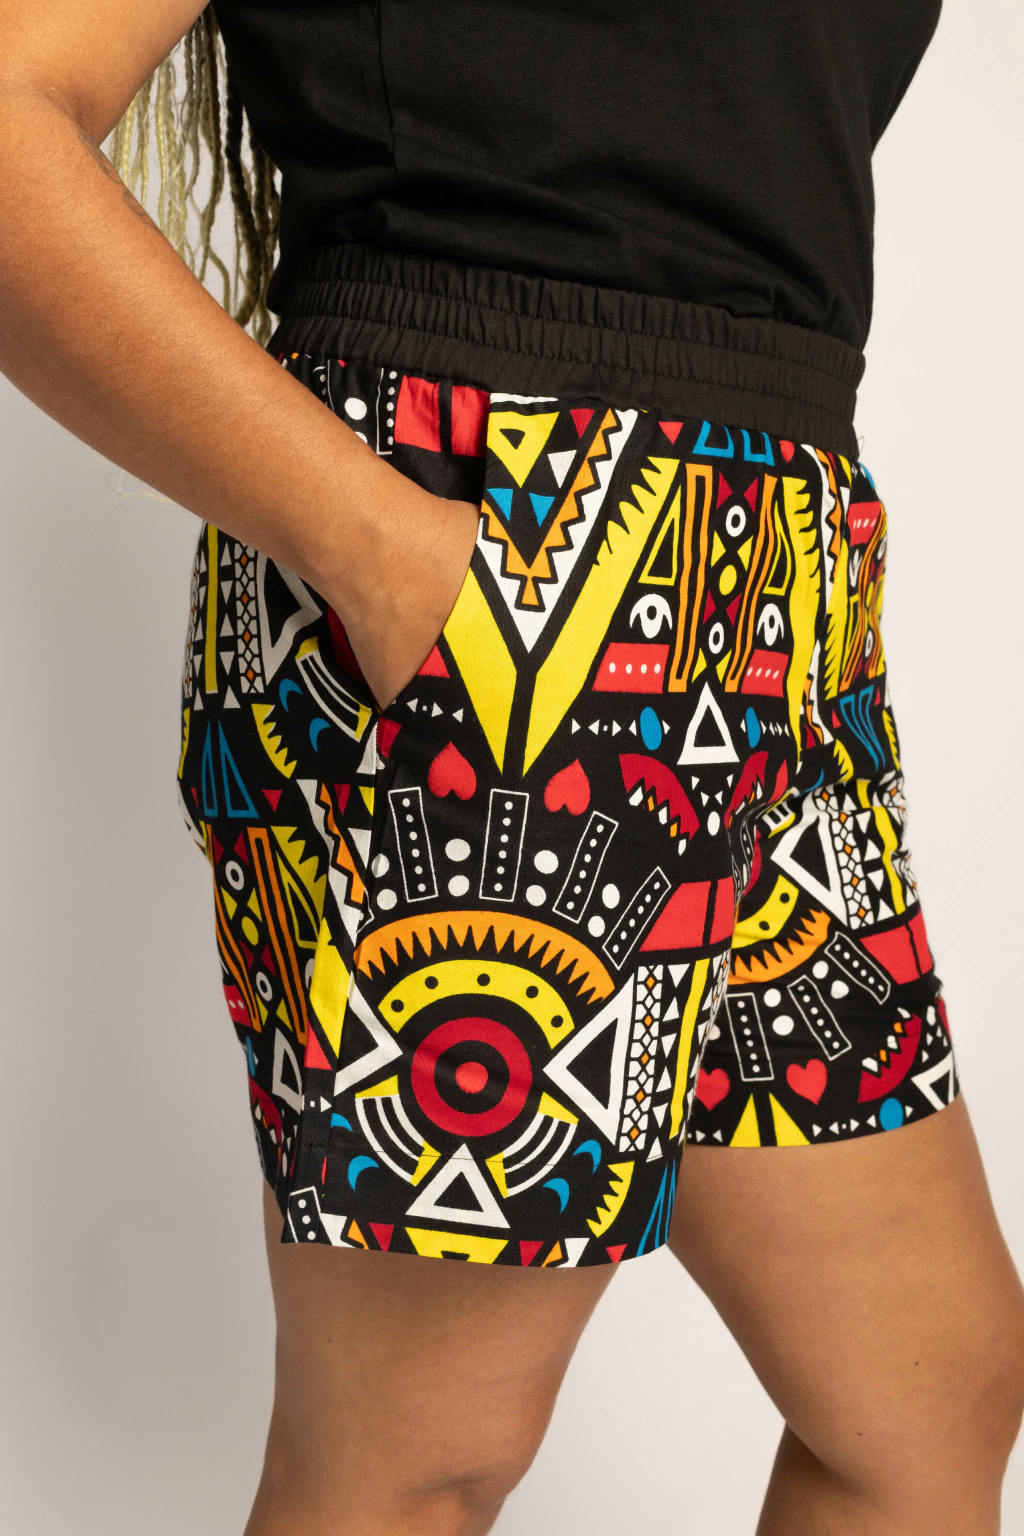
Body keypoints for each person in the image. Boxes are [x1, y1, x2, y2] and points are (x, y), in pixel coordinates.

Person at [1, 3, 1022, 1533]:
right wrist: (385, 556)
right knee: (419, 1457)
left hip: (765, 563)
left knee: (927, 1395)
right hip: (504, 527)